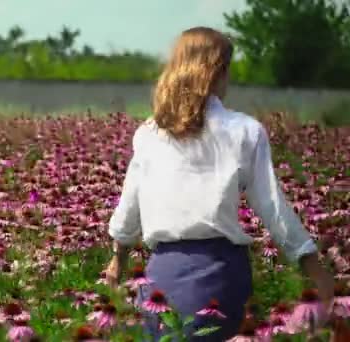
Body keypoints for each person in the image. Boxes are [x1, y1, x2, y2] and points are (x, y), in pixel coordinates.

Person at [103, 27, 335, 341]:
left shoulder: (149, 133)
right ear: (218, 71)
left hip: (161, 277)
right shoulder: (245, 131)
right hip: (221, 275)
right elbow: (272, 207)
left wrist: (118, 261)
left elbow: (129, 208)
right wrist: (311, 264)